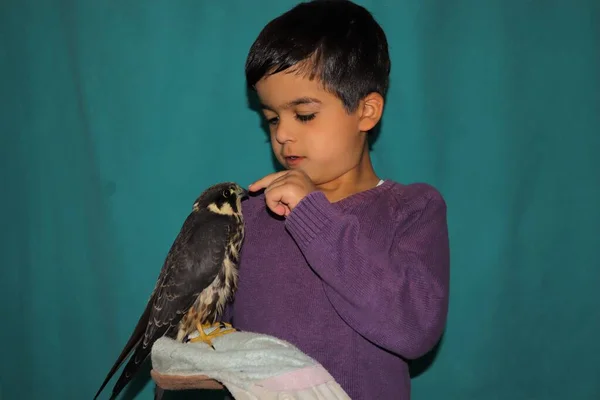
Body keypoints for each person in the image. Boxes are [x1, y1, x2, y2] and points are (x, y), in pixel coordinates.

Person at [224, 1, 451, 398]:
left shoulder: (412, 209)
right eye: (273, 118)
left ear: (366, 111)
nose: (282, 135)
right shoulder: (249, 215)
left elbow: (415, 329)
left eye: (305, 115)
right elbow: (212, 333)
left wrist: (314, 218)